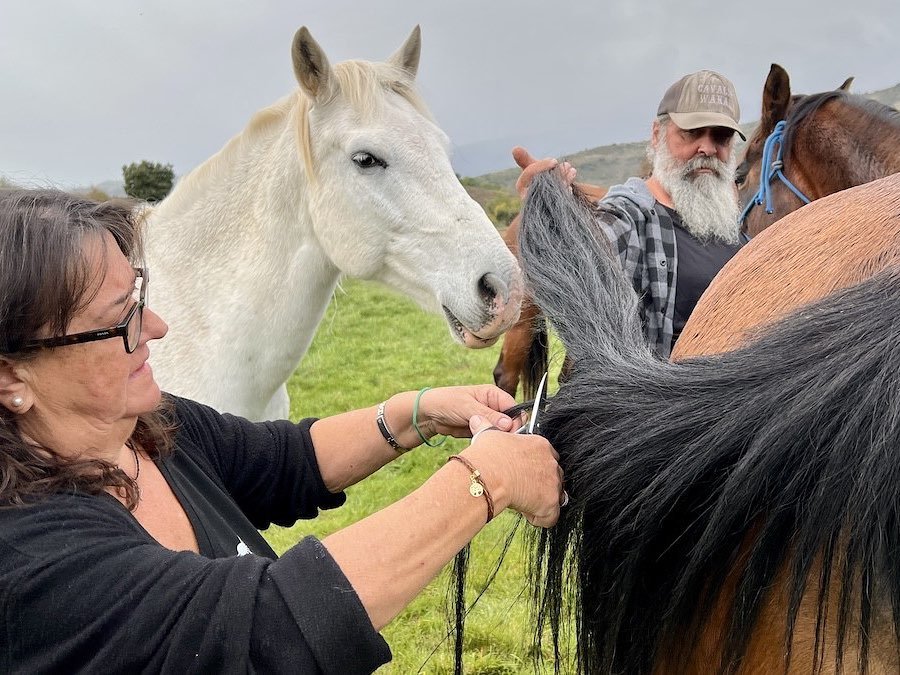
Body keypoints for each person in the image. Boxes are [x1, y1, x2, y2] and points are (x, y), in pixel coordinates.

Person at [0, 189, 564, 674]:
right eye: (117, 320)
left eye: (139, 299)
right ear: (10, 376)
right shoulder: (33, 560)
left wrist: (414, 412)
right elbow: (268, 631)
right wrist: (483, 481)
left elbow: (282, 460)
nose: (155, 328)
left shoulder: (146, 430)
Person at [515, 70, 746, 358]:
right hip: (664, 398)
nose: (708, 148)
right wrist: (548, 219)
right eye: (692, 132)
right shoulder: (632, 215)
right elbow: (592, 253)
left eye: (721, 137)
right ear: (657, 134)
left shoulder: (732, 229)